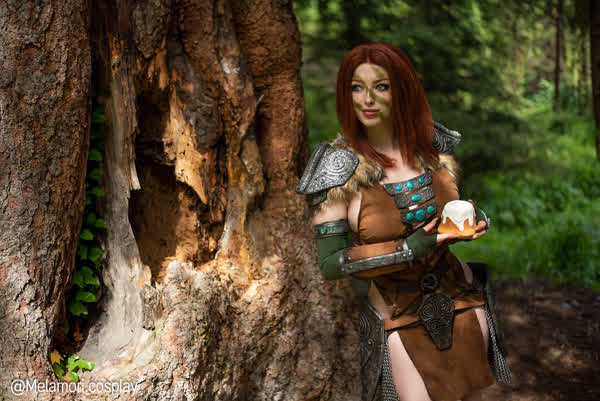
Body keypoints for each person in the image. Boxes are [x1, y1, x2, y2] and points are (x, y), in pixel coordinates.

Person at [296, 42, 511, 401]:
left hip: (462, 298)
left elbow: (448, 212)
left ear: (401, 90)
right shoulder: (337, 169)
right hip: (396, 313)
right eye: (356, 87)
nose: (367, 99)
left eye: (380, 86)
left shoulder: (430, 146)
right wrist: (407, 249)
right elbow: (330, 263)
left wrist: (471, 221)